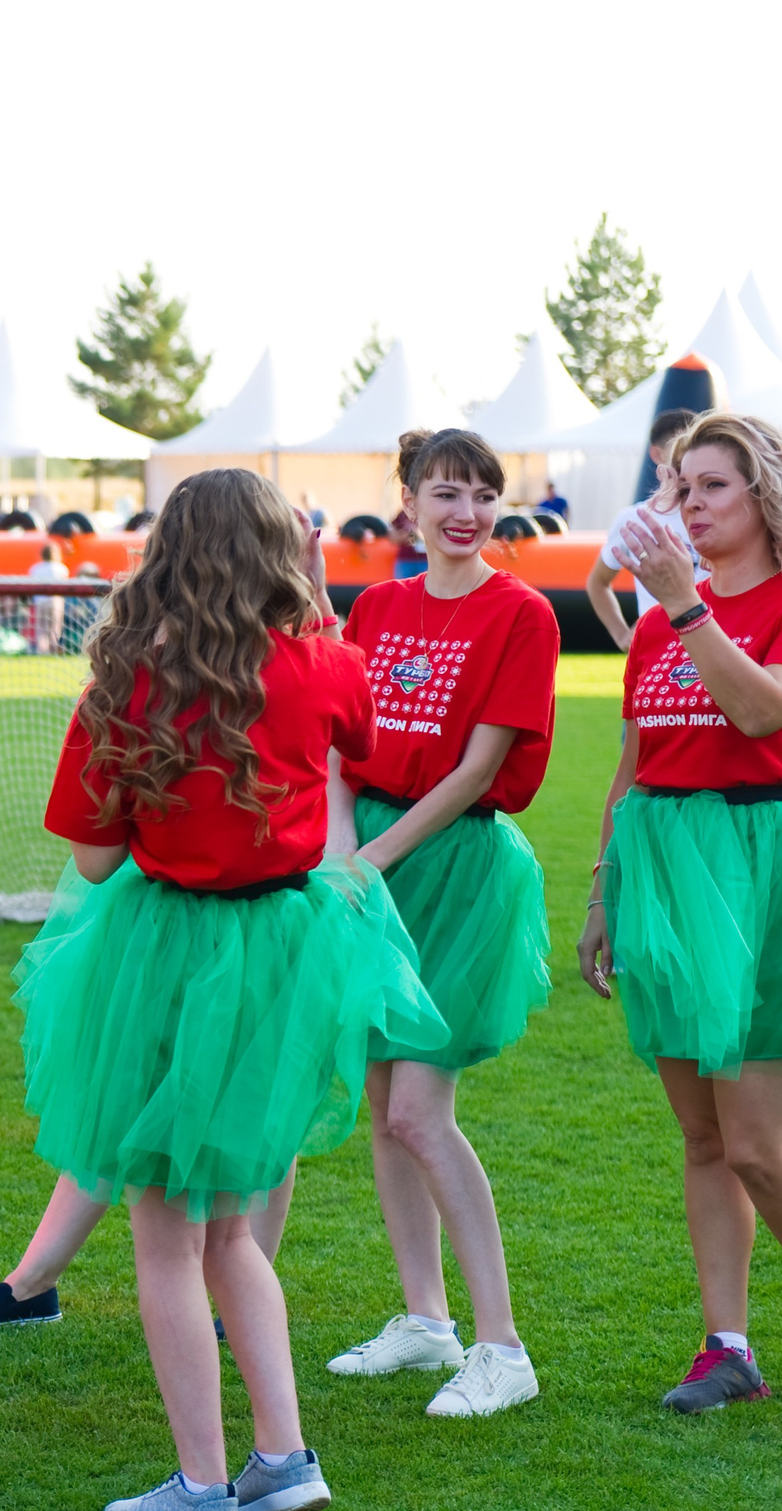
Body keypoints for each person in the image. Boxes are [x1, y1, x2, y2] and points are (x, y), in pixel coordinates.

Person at [17, 467, 442, 1511]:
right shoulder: (324, 662)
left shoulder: (125, 677)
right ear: (280, 552)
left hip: (166, 950)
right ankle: (282, 1458)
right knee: (233, 1231)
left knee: (164, 1234)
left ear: (167, 551)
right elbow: (372, 753)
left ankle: (202, 1489)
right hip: (282, 950)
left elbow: (95, 860)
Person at [326, 428, 556, 1417]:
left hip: (453, 865)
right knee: (384, 1110)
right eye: (447, 493)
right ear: (408, 502)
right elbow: (336, 739)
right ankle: (424, 1322)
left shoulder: (523, 614)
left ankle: (502, 1346)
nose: (466, 513)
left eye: (482, 496)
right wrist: (342, 849)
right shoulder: (375, 605)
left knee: (421, 1110)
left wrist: (374, 858)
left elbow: (474, 769)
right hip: (369, 861)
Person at [579, 411, 782, 1413]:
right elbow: (633, 762)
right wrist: (602, 892)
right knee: (702, 1141)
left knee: (758, 1145)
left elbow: (759, 713)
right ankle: (726, 1347)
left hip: (758, 871)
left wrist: (688, 609)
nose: (688, 505)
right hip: (659, 871)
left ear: (763, 498)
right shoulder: (654, 623)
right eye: (677, 485)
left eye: (712, 486)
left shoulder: (728, 606)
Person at [585, 410, 704, 652]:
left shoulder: (713, 512)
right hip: (658, 648)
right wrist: (621, 634)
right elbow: (597, 582)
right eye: (678, 449)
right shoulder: (634, 519)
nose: (686, 459)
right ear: (656, 454)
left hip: (717, 641)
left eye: (693, 448)